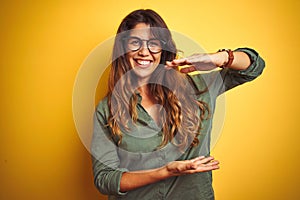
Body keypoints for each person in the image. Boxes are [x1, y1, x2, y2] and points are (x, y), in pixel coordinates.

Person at [91, 9, 265, 200]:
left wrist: (217, 58)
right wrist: (164, 171)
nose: (144, 51)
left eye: (153, 44)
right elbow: (105, 179)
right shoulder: (106, 109)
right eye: (135, 43)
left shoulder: (197, 88)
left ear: (163, 49)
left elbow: (253, 67)